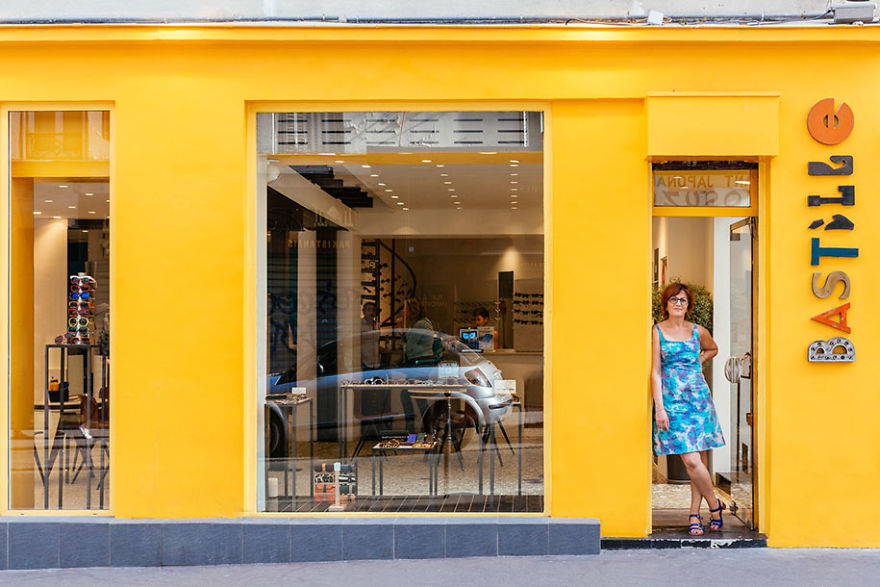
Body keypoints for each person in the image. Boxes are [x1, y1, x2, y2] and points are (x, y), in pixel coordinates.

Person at [651, 282, 726, 536]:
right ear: (666, 304)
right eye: (674, 300)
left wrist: (699, 360)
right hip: (672, 403)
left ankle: (695, 513)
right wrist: (660, 408)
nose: (678, 304)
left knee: (700, 460)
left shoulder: (698, 331)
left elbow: (712, 349)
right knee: (691, 460)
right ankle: (715, 506)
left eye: (682, 300)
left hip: (698, 400)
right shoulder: (657, 331)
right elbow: (655, 371)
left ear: (688, 305)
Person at [360, 302, 380, 371]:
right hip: (364, 364)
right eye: (368, 309)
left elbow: (375, 342)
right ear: (363, 311)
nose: (371, 312)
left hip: (376, 363)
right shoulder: (359, 325)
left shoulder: (376, 325)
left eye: (373, 310)